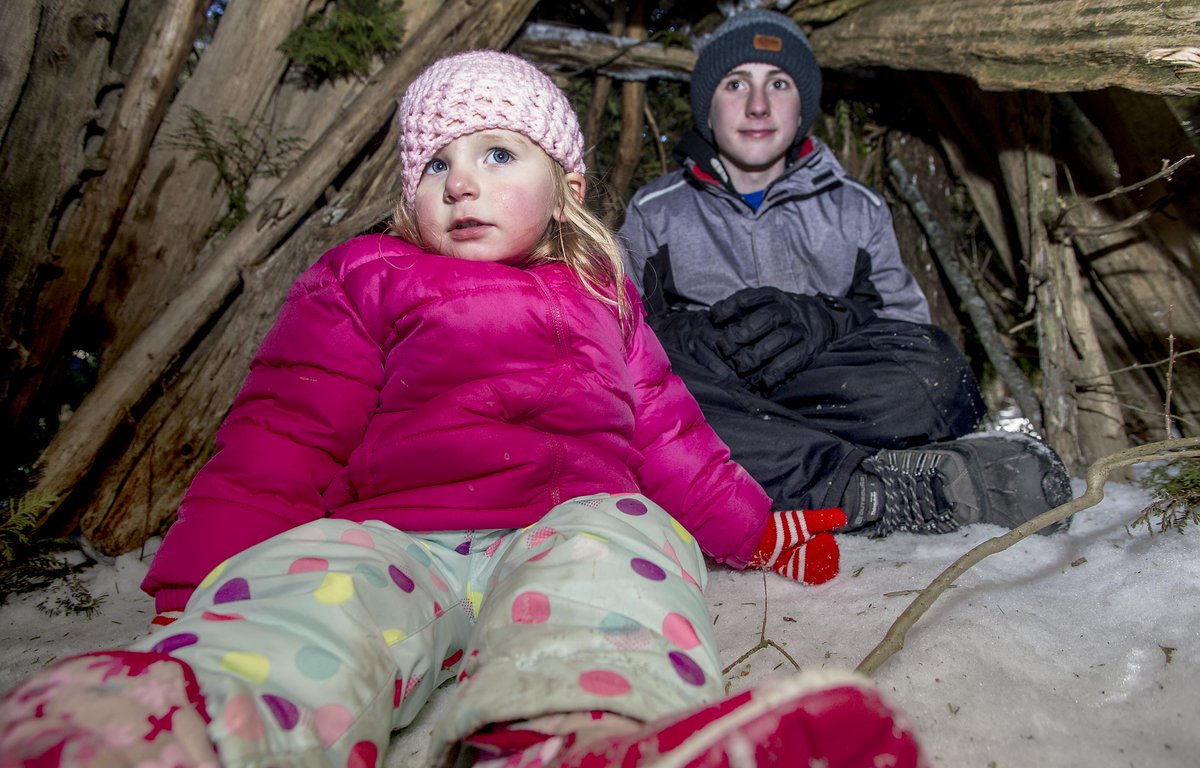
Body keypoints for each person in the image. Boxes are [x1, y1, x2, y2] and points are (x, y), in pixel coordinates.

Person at [0, 51, 923, 768]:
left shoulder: (601, 292)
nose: (460, 181)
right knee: (318, 584)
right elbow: (282, 437)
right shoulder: (367, 276)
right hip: (399, 538)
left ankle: (591, 730)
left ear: (563, 186)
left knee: (626, 548)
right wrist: (184, 595)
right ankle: (183, 719)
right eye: (434, 162)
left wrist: (762, 536)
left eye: (495, 153)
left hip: (566, 528)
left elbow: (670, 432)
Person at [619, 9, 1072, 537]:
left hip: (820, 391)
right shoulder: (657, 210)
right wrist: (706, 339)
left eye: (779, 83)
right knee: (646, 393)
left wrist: (828, 318)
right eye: (736, 83)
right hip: (713, 394)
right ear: (707, 106)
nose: (758, 105)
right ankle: (870, 487)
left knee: (939, 370)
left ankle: (772, 465)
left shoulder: (856, 208)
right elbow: (625, 337)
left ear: (803, 104)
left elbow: (906, 328)